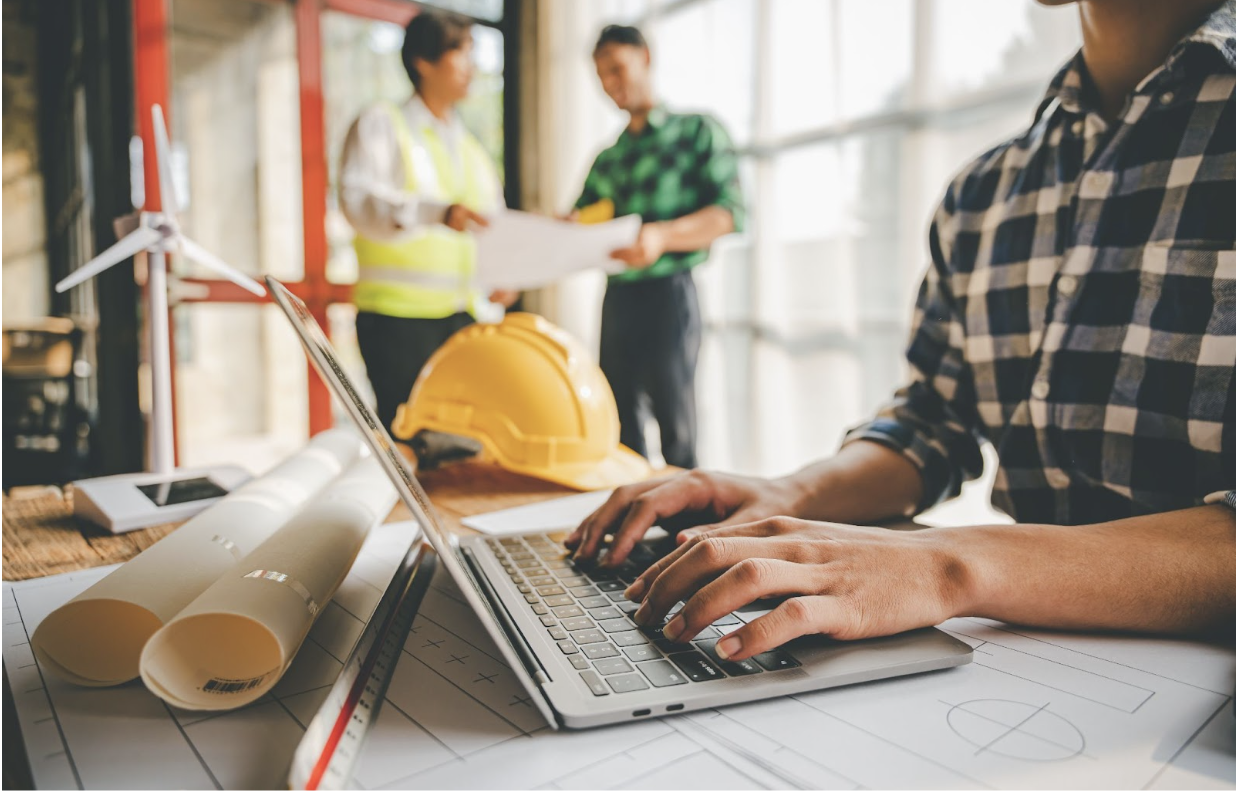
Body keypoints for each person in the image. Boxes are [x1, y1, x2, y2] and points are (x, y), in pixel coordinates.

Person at [567, 0, 1236, 661]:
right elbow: (934, 420)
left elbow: (724, 212)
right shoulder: (985, 193)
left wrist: (951, 563)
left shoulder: (694, 133)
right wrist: (793, 492)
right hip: (1032, 662)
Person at [573, 25, 745, 470]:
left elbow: (728, 213)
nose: (611, 85)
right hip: (618, 299)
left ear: (645, 57)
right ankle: (630, 523)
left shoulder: (696, 132)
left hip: (670, 293)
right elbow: (576, 225)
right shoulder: (607, 159)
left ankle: (686, 530)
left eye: (617, 69)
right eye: (602, 77)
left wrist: (661, 236)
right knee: (618, 424)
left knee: (677, 426)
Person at [340, 9, 517, 432]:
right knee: (409, 447)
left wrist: (505, 272)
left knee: (468, 446)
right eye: (462, 53)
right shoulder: (382, 125)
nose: (473, 67)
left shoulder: (471, 148)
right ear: (424, 61)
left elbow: (493, 223)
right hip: (398, 322)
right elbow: (361, 202)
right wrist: (438, 213)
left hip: (464, 318)